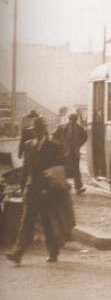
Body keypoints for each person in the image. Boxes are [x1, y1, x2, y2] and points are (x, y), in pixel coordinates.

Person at [5, 117, 69, 264]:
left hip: (47, 192)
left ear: (43, 130)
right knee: (26, 223)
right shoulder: (28, 145)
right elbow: (26, 169)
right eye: (34, 130)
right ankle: (18, 253)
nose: (36, 132)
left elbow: (58, 170)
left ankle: (53, 252)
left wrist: (50, 188)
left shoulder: (53, 146)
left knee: (48, 224)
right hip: (32, 190)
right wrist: (22, 188)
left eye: (38, 129)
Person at [53, 112, 87, 194]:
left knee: (76, 170)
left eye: (75, 120)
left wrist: (79, 144)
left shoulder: (79, 128)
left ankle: (78, 188)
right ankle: (64, 186)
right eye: (72, 120)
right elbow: (54, 136)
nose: (73, 121)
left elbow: (85, 137)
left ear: (76, 120)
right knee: (64, 170)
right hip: (65, 152)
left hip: (75, 152)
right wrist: (60, 145)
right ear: (69, 120)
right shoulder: (62, 128)